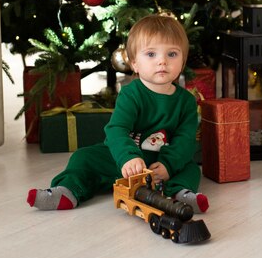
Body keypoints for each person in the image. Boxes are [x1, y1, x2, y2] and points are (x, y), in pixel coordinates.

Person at [27, 14, 209, 213]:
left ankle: (179, 194)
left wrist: (168, 165)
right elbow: (116, 129)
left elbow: (185, 139)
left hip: (160, 165)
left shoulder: (186, 101)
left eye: (172, 54)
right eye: (151, 54)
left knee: (191, 168)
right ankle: (67, 190)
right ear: (134, 64)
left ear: (182, 61)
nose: (162, 62)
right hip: (126, 162)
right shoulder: (131, 95)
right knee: (83, 157)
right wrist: (127, 158)